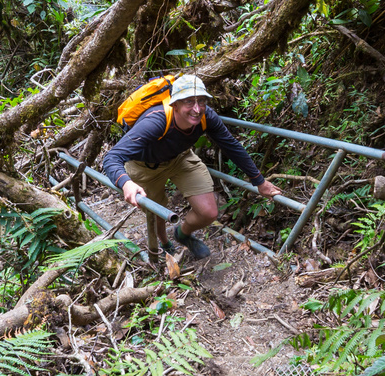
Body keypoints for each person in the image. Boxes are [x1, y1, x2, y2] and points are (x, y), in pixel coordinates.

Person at [102, 74, 281, 260]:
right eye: (189, 102)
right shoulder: (154, 122)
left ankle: (182, 234)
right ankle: (165, 243)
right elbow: (112, 157)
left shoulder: (206, 116)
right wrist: (126, 183)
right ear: (175, 105)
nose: (197, 109)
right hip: (145, 167)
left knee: (209, 212)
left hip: (180, 158)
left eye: (201, 101)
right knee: (158, 213)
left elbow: (231, 145)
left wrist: (259, 181)